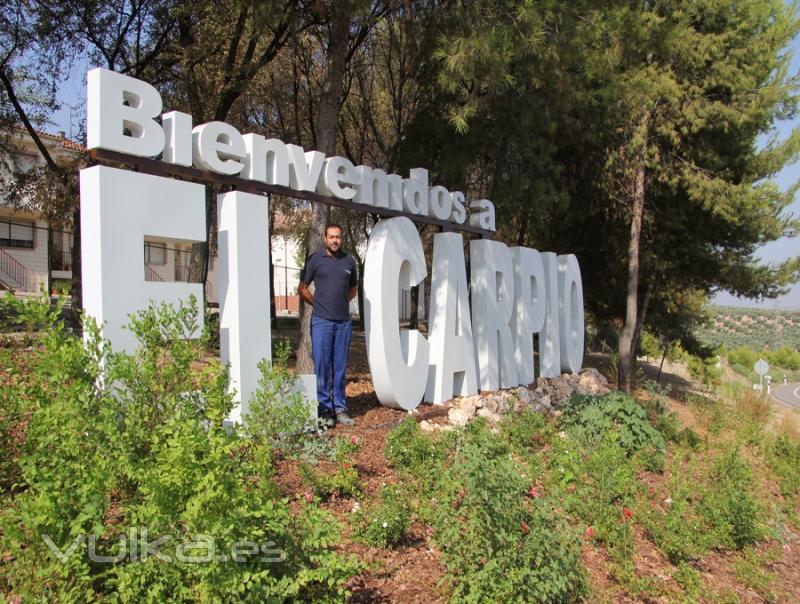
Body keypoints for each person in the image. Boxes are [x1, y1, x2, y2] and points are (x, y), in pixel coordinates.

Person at [298, 224, 358, 426]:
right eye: (331, 237)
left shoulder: (349, 261)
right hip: (321, 321)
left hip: (343, 323)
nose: (335, 240)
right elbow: (303, 289)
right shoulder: (315, 260)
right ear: (325, 238)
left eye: (338, 237)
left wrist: (340, 302)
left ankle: (340, 408)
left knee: (340, 367)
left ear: (341, 239)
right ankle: (324, 410)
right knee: (322, 366)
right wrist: (318, 304)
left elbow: (353, 289)